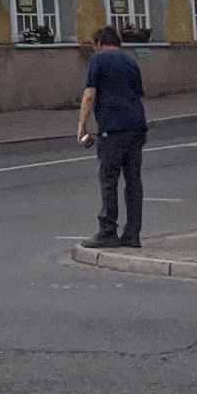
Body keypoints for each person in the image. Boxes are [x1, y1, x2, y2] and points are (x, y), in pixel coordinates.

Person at [77, 23, 148, 249]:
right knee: (133, 180)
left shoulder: (98, 60)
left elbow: (89, 94)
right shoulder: (130, 61)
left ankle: (108, 230)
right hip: (137, 126)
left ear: (98, 43)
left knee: (109, 179)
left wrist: (82, 125)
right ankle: (133, 233)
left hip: (113, 128)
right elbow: (138, 92)